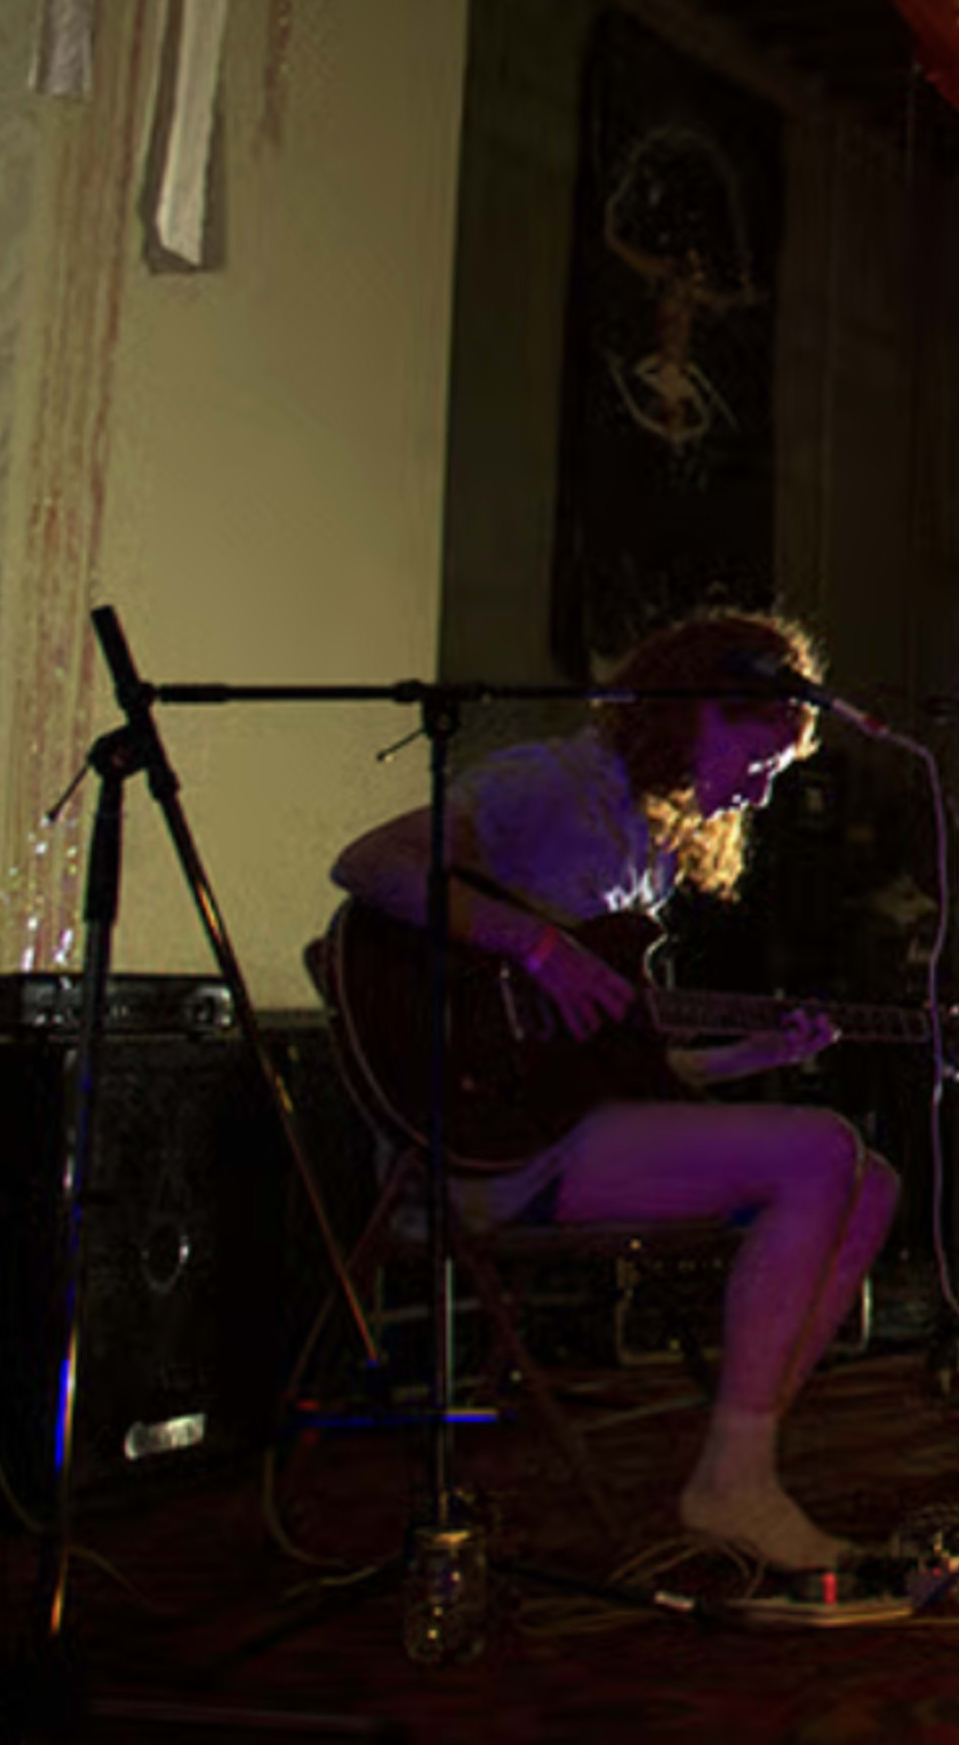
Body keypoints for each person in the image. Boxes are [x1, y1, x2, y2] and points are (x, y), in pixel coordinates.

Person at [326, 610, 898, 1572]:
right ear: (693, 711)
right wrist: (536, 946)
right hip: (483, 1144)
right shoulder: (550, 784)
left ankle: (740, 1453)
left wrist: (748, 1057)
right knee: (823, 1152)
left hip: (569, 1129)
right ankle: (734, 1486)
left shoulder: (651, 847)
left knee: (870, 1183)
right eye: (756, 760)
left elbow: (615, 1067)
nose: (760, 793)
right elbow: (368, 864)